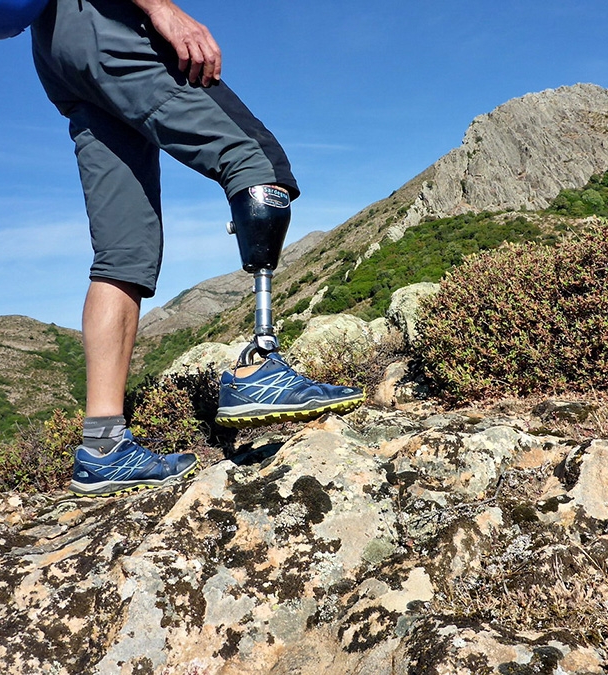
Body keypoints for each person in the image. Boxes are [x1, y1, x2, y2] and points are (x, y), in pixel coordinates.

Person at [20, 0, 365, 496]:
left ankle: (102, 447)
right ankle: (260, 366)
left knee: (124, 250)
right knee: (254, 159)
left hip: (56, 50)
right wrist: (161, 8)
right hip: (106, 22)